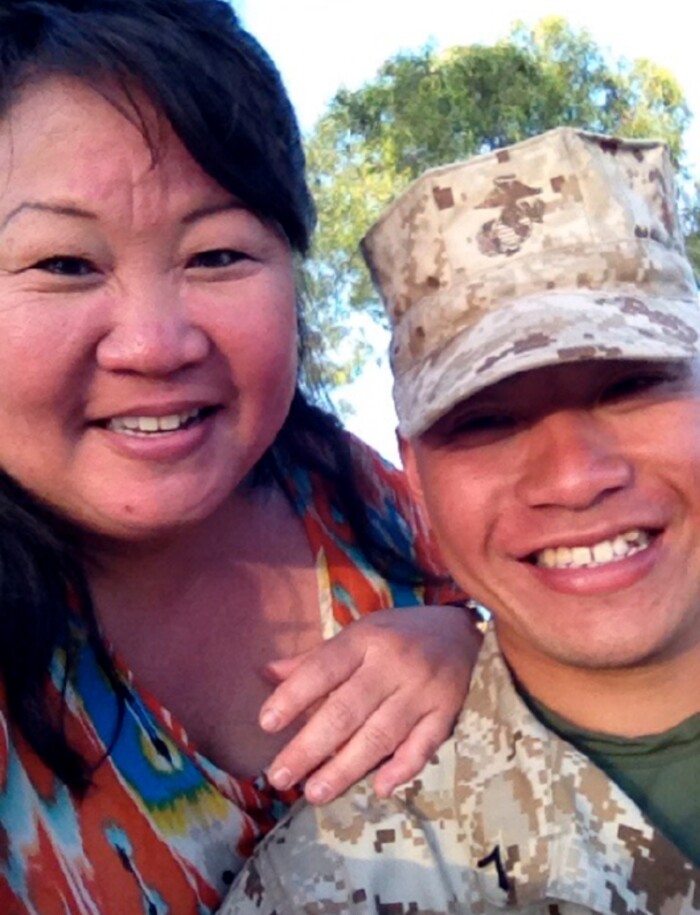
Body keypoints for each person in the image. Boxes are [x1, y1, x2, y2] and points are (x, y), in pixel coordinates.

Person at [0, 1, 483, 912]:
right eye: (64, 263)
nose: (154, 344)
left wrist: (472, 647)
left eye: (217, 253)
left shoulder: (355, 495)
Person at [222, 127, 700, 914]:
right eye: (484, 422)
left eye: (631, 384)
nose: (576, 477)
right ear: (415, 472)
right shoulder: (340, 879)